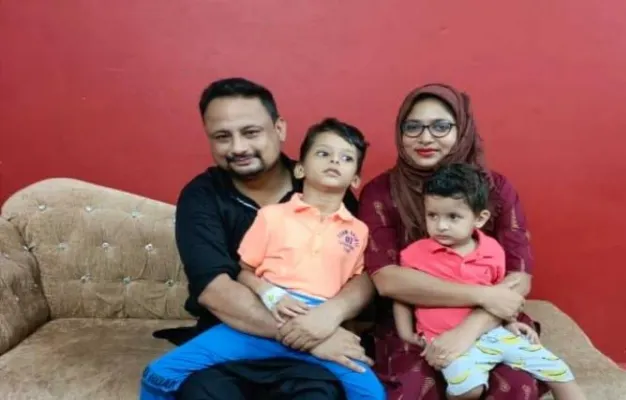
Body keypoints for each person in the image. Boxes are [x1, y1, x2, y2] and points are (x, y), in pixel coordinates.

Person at [154, 78, 375, 400]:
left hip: (313, 349)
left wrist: (330, 316)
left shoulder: (324, 182)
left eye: (251, 132)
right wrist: (307, 337)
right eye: (222, 136)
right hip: (232, 338)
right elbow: (215, 290)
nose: (238, 147)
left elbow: (364, 272)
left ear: (279, 129)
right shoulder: (201, 197)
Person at [358, 83, 550, 399]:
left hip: (489, 319)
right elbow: (387, 280)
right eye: (413, 127)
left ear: (462, 130)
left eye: (440, 126)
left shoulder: (495, 189)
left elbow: (519, 277)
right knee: (416, 386)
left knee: (517, 386)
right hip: (411, 321)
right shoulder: (381, 192)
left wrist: (469, 329)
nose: (425, 138)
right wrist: (483, 295)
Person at [393, 163, 585, 400]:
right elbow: (402, 295)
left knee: (558, 371)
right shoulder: (415, 254)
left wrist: (510, 322)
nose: (441, 225)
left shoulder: (492, 251)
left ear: (480, 218)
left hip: (494, 334)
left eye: (453, 217)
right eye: (432, 215)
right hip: (447, 341)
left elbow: (498, 296)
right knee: (468, 389)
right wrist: (406, 333)